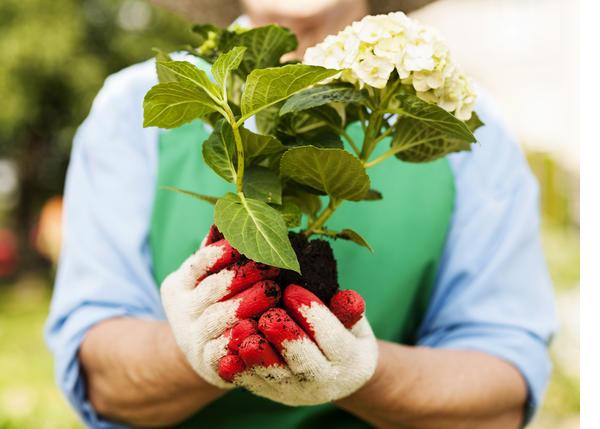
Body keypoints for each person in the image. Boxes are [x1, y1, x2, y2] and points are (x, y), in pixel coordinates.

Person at [45, 0, 557, 428]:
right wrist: (199, 349)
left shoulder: (463, 127)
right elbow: (101, 373)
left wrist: (365, 373)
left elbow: (502, 387)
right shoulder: (134, 106)